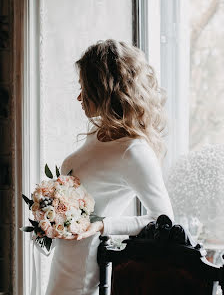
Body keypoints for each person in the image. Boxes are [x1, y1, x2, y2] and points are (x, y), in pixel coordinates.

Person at [44, 39, 174, 295]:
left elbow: (164, 220)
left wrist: (102, 225)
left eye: (85, 88)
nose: (79, 96)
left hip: (87, 269)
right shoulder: (98, 133)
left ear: (104, 89)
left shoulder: (134, 151)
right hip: (64, 260)